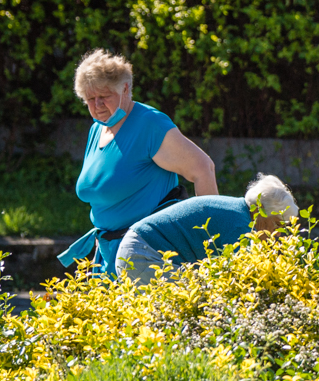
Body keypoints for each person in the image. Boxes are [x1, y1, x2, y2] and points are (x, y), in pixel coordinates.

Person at [57, 51, 217, 277]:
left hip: (150, 254)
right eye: (90, 99)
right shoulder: (97, 129)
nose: (98, 105)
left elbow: (203, 168)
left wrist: (207, 246)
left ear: (124, 89)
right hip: (107, 254)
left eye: (105, 96)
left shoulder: (149, 124)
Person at [115, 174, 300, 284]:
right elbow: (240, 282)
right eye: (277, 224)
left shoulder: (236, 211)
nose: (277, 235)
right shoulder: (239, 226)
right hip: (143, 253)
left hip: (138, 248)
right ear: (260, 211)